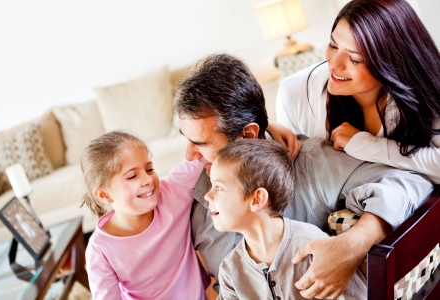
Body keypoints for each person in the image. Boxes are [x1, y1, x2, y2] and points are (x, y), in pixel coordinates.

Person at [175, 53, 433, 299]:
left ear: (249, 135)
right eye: (186, 139)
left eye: (201, 143)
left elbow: (411, 182)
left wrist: (352, 245)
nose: (189, 155)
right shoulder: (197, 196)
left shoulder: (312, 164)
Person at [274, 0, 440, 184]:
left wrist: (366, 145)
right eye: (333, 45)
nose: (334, 64)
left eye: (354, 58)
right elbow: (293, 179)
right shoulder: (295, 93)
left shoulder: (424, 91)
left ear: (392, 63)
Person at [206, 139, 367, 299]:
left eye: (218, 187)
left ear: (257, 199)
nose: (207, 195)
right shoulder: (230, 270)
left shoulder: (314, 249)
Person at [80, 131, 207, 299]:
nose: (147, 179)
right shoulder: (100, 250)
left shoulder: (172, 193)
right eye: (132, 176)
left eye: (149, 169)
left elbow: (202, 152)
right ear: (104, 195)